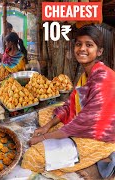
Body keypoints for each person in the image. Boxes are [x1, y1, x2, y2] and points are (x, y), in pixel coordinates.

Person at [21, 25, 115, 176]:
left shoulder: (104, 78)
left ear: (99, 51)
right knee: (47, 113)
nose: (82, 49)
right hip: (81, 124)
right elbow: (70, 104)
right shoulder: (87, 74)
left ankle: (94, 160)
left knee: (33, 156)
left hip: (99, 137)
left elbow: (82, 123)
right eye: (79, 44)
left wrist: (43, 137)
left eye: (89, 45)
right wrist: (47, 127)